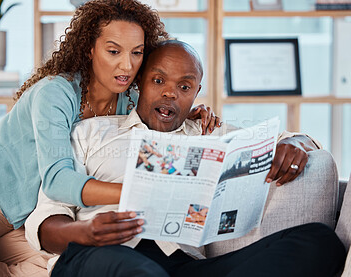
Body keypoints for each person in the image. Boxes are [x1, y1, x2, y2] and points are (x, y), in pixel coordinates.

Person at [25, 40, 346, 276]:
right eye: (159, 80)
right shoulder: (90, 133)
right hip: (99, 255)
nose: (170, 93)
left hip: (184, 265)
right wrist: (86, 233)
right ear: (139, 82)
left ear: (196, 92)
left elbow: (290, 139)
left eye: (184, 86)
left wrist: (297, 143)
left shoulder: (210, 134)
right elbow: (46, 221)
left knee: (319, 242)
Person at [0, 1, 220, 275]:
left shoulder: (129, 100)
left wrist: (190, 114)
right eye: (114, 51)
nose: (127, 64)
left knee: (61, 268)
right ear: (90, 49)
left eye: (136, 53)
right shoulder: (55, 93)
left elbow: (161, 109)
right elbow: (58, 181)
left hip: (24, 217)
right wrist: (141, 189)